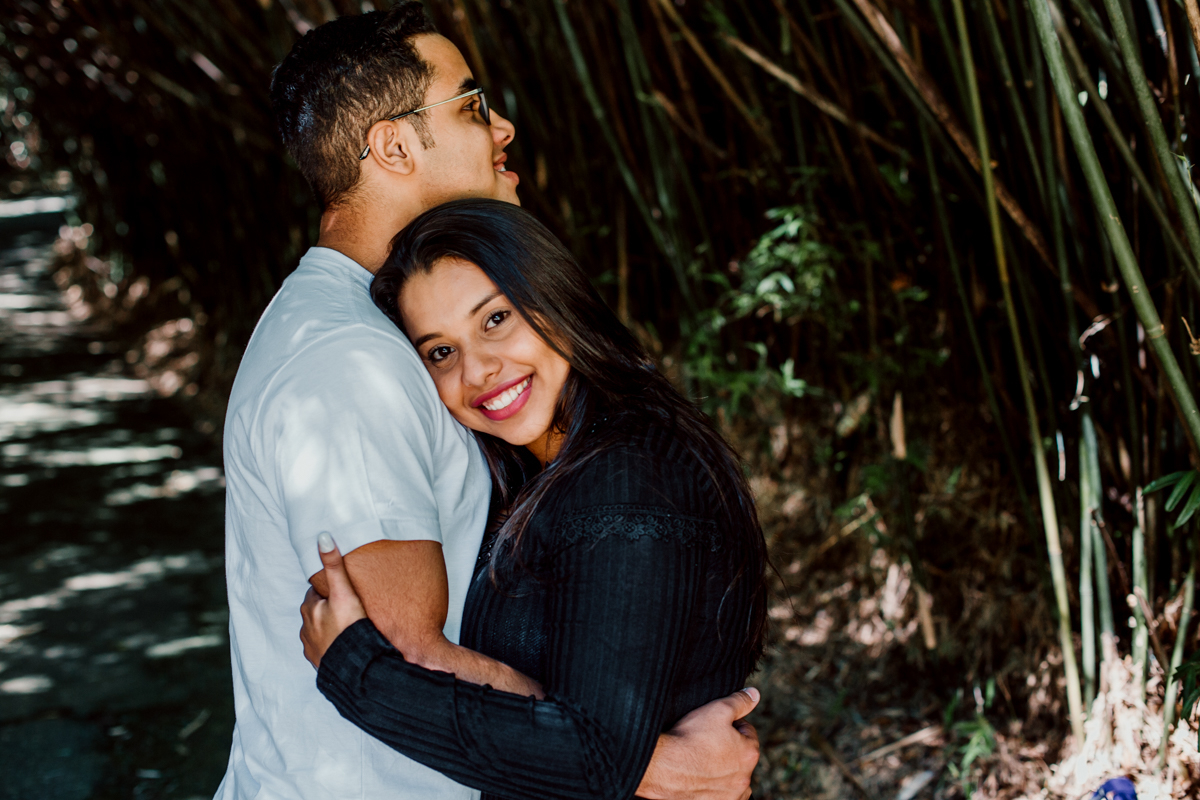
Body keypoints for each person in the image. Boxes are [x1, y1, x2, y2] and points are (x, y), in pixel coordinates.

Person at [217, 5, 760, 800]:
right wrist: (648, 763)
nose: (502, 126)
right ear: (393, 146)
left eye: (496, 320)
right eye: (471, 106)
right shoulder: (352, 360)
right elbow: (404, 652)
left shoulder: (365, 322)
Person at [298, 199, 769, 800]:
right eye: (442, 351)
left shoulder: (628, 477)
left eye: (495, 320)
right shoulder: (546, 471)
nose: (479, 370)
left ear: (554, 298)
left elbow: (596, 757)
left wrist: (358, 674)